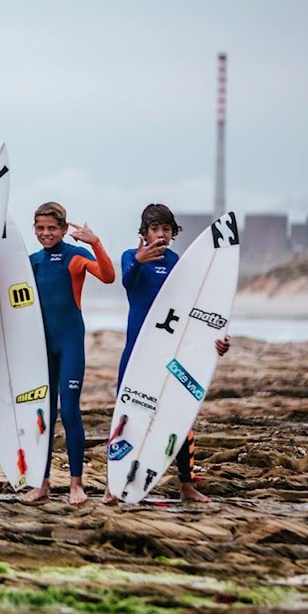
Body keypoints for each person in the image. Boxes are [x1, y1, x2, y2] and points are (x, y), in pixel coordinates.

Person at [106, 203, 230, 504]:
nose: (160, 234)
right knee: (129, 416)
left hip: (171, 354)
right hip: (137, 353)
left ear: (173, 232)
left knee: (179, 417)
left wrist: (218, 340)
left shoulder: (181, 263)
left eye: (165, 229)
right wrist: (138, 260)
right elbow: (127, 282)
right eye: (154, 229)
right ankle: (113, 485)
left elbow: (197, 310)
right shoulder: (129, 257)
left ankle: (186, 485)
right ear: (144, 233)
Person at [21, 202, 115, 505]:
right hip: (40, 347)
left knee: (70, 411)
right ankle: (42, 483)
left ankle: (76, 484)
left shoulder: (75, 256)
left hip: (70, 341)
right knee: (43, 415)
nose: (46, 233)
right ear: (34, 229)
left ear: (63, 229)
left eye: (52, 228)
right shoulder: (31, 262)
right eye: (40, 228)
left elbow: (108, 276)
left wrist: (95, 243)